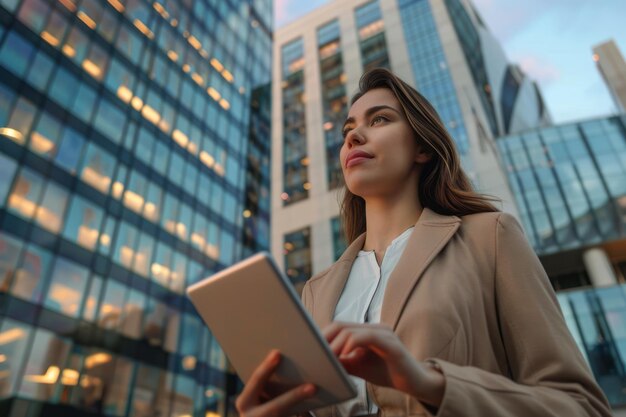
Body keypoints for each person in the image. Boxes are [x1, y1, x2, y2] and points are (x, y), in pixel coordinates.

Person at [235, 68, 612, 417]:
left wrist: (429, 384)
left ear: (423, 148)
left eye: (379, 119)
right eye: (348, 128)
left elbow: (580, 405)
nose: (353, 136)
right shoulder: (316, 291)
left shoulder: (490, 239)